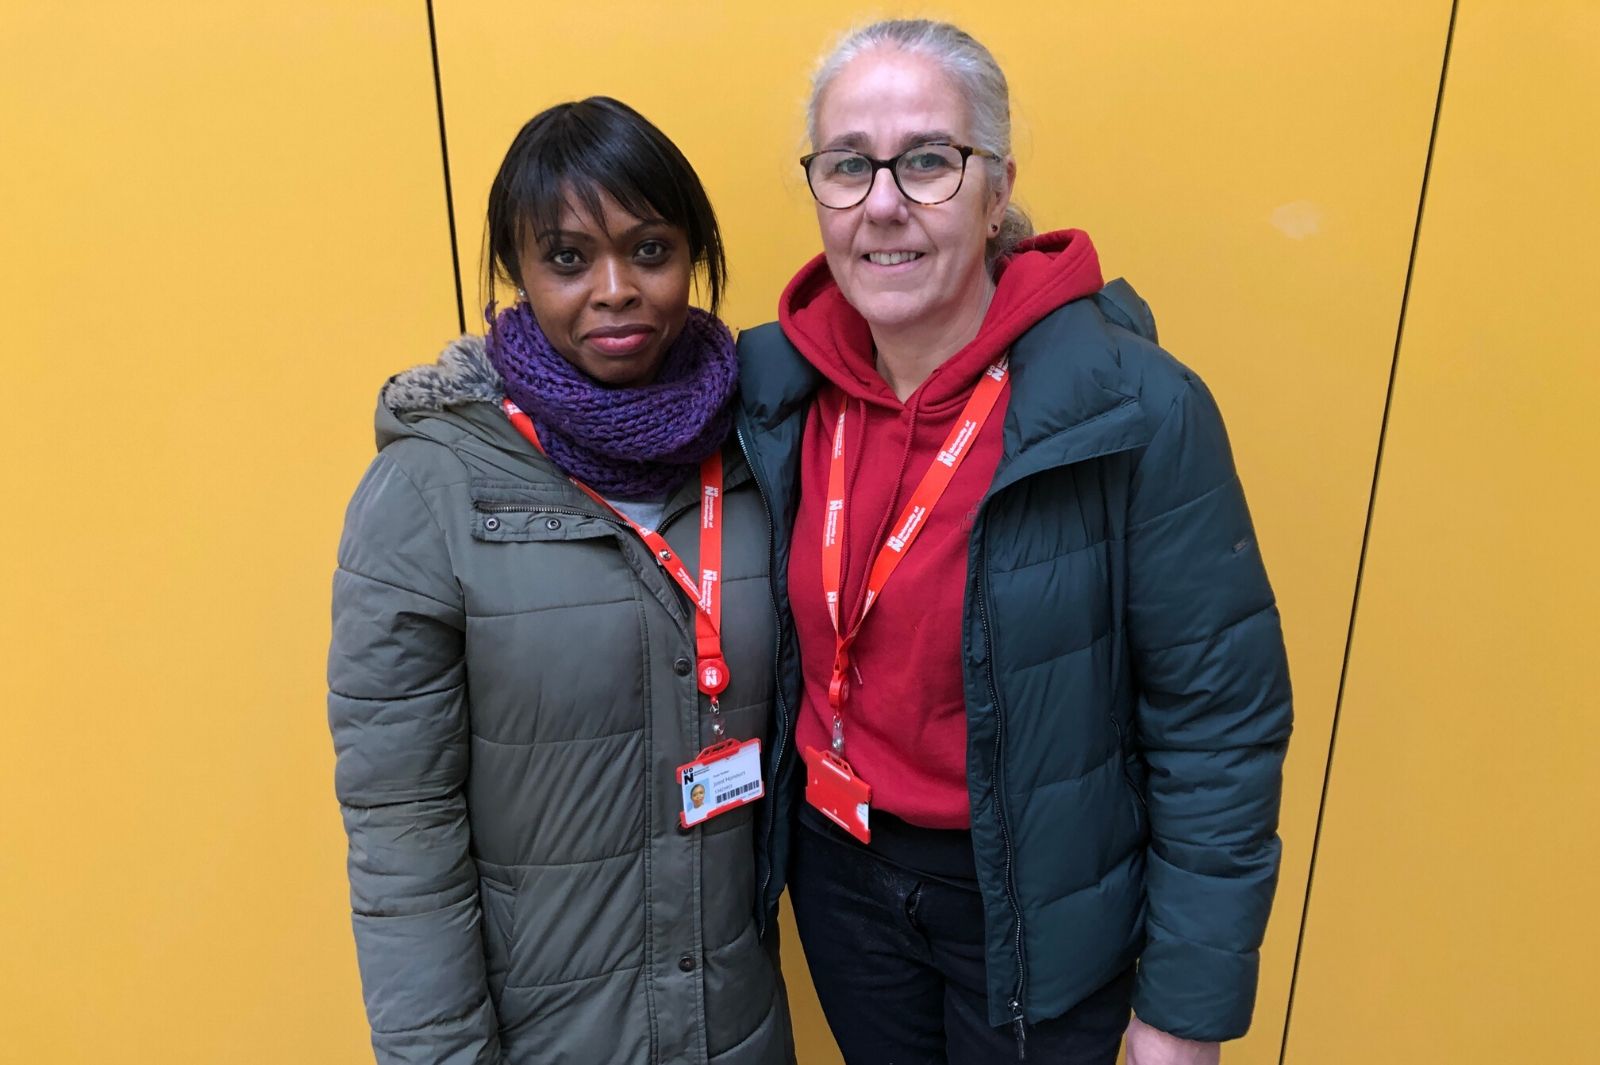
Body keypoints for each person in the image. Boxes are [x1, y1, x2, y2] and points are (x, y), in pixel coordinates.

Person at [733, 20, 1292, 1065]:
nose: (884, 202)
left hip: (1034, 906)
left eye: (929, 161)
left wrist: (1184, 1011)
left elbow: (1217, 727)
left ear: (997, 193)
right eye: (848, 165)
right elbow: (594, 386)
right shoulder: (772, 386)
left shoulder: (1135, 410)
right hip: (839, 878)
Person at [328, 96, 793, 1065]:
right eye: (569, 258)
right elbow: (403, 841)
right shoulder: (427, 492)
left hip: (740, 1033)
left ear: (696, 259)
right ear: (516, 274)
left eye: (650, 250)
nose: (615, 289)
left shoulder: (760, 457)